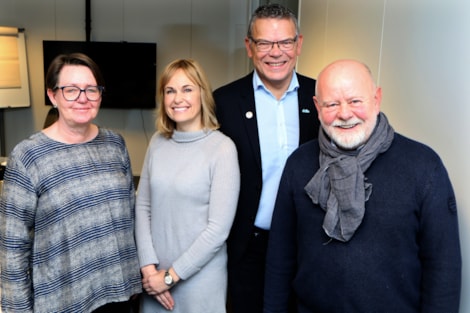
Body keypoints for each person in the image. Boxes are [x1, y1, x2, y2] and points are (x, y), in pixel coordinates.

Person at [264, 59, 462, 312]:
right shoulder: (299, 164)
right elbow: (280, 257)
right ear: (317, 106)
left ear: (377, 99)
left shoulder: (424, 167)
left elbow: (443, 268)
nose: (345, 114)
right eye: (332, 104)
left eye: (355, 101)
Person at [0, 53, 142, 312]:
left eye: (91, 89)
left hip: (120, 294)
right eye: (71, 90)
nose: (83, 98)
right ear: (53, 96)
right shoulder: (28, 156)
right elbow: (12, 246)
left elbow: (129, 218)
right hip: (64, 300)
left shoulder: (115, 145)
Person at [213, 3, 319, 313]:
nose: (276, 52)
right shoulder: (224, 102)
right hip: (248, 249)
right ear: (249, 46)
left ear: (298, 44)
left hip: (307, 246)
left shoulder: (320, 99)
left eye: (285, 42)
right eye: (264, 43)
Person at [135, 58, 240, 313]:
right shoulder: (158, 143)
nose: (177, 98)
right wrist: (150, 271)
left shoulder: (222, 148)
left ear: (202, 94)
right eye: (170, 91)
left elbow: (218, 230)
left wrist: (170, 278)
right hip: (154, 278)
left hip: (199, 281)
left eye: (187, 89)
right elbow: (143, 206)